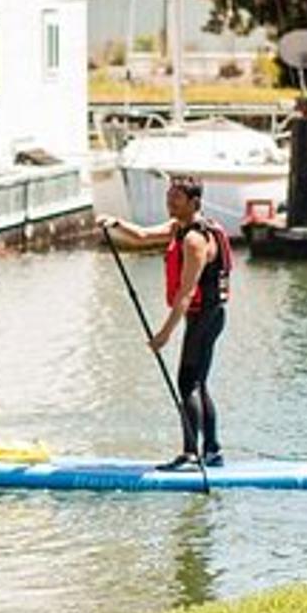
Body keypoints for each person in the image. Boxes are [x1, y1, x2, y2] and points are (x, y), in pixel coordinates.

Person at [100, 176, 234, 469]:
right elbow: (143, 236)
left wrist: (164, 334)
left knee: (187, 384)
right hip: (204, 315)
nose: (169, 202)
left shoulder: (195, 240)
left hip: (205, 316)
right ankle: (212, 450)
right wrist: (116, 223)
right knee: (198, 383)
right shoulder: (179, 228)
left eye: (176, 198)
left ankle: (191, 454)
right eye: (169, 196)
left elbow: (186, 294)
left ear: (194, 202)